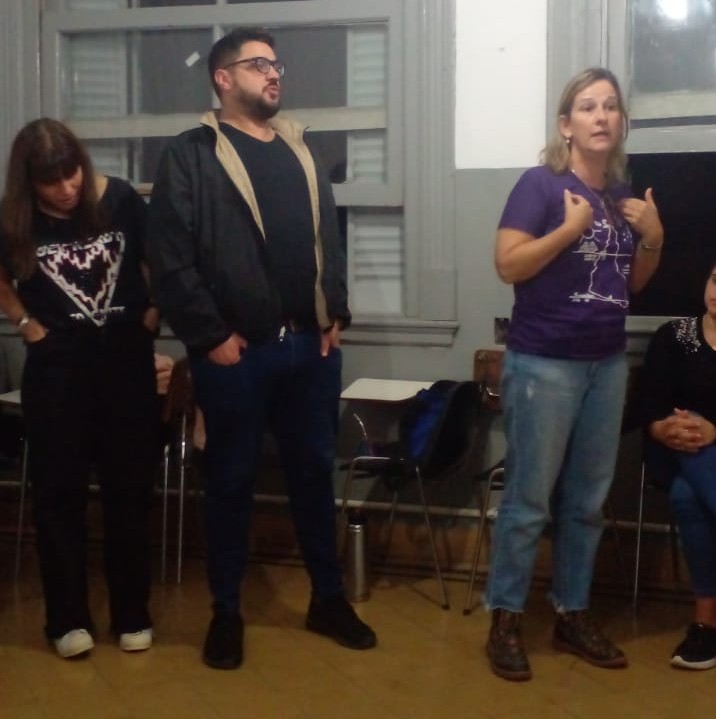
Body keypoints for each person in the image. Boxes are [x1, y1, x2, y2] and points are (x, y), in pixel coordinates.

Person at [145, 27, 376, 670]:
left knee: (313, 477)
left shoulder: (300, 149)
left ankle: (328, 600)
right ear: (223, 79)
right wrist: (211, 337)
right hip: (237, 355)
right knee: (230, 482)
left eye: (276, 64)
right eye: (257, 65)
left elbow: (329, 240)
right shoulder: (192, 154)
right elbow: (170, 257)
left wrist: (335, 314)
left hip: (310, 349)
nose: (274, 74)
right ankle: (226, 613)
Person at [483, 67, 664, 681]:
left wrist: (653, 238)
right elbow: (507, 265)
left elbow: (630, 286)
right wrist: (566, 230)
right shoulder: (540, 184)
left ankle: (571, 611)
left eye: (610, 106)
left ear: (621, 122)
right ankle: (506, 620)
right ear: (566, 124)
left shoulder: (622, 196)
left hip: (605, 364)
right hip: (544, 363)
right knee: (529, 502)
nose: (601, 116)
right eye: (588, 106)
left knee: (587, 502)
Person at [0, 119, 159, 658]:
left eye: (71, 174)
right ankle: (67, 620)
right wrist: (27, 325)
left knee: (130, 493)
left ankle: (132, 612)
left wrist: (153, 313)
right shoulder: (14, 220)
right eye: (51, 181)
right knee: (58, 497)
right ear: (29, 182)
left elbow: (159, 259)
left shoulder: (120, 200)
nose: (66, 188)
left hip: (125, 365)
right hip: (56, 371)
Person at [641, 261, 716, 670]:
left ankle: (706, 624)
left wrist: (714, 431)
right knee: (690, 441)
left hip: (705, 461)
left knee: (688, 496)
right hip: (672, 450)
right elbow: (648, 405)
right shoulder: (674, 336)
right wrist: (663, 428)